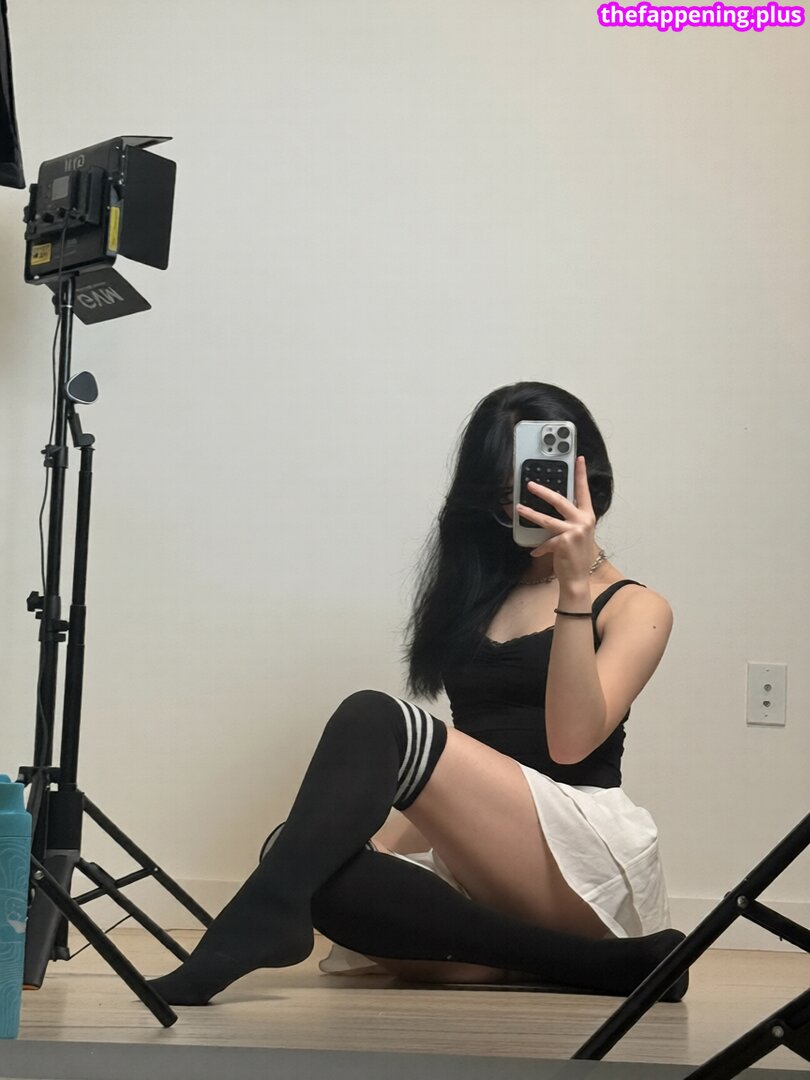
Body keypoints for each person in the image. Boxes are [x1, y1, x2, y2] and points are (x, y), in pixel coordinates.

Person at [148, 382, 686, 1007]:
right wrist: (363, 845)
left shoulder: (636, 608)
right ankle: (594, 967)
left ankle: (245, 931)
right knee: (300, 854)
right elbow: (463, 768)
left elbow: (569, 745)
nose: (524, 505)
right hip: (489, 867)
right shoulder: (482, 595)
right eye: (505, 492)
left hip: (581, 862)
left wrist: (574, 588)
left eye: (539, 483)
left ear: (584, 479)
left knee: (374, 718)